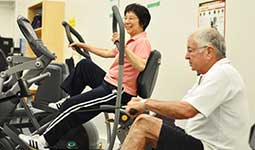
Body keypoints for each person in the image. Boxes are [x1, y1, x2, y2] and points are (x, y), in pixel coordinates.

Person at [19, 3, 152, 150]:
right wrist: (83, 45)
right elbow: (107, 52)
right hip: (110, 82)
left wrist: (124, 47)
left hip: (119, 90)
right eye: (125, 18)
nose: (126, 21)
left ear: (142, 22)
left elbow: (141, 65)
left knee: (72, 107)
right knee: (84, 65)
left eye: (131, 18)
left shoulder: (142, 42)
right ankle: (68, 98)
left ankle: (43, 142)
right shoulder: (130, 40)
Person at [121, 27, 249, 150]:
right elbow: (183, 106)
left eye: (190, 50)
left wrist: (145, 104)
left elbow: (186, 110)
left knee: (144, 124)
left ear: (209, 52)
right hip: (198, 140)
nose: (186, 56)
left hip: (211, 147)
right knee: (155, 119)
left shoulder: (222, 73)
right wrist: (150, 108)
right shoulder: (208, 75)